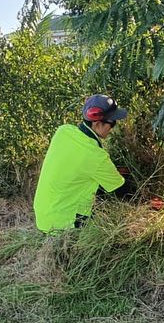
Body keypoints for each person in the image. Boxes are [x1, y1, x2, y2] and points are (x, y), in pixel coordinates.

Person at [33, 94, 128, 232]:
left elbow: (76, 165)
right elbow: (122, 191)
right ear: (97, 123)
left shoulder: (63, 131)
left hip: (43, 216)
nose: (113, 128)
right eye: (112, 123)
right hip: (63, 226)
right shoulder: (95, 156)